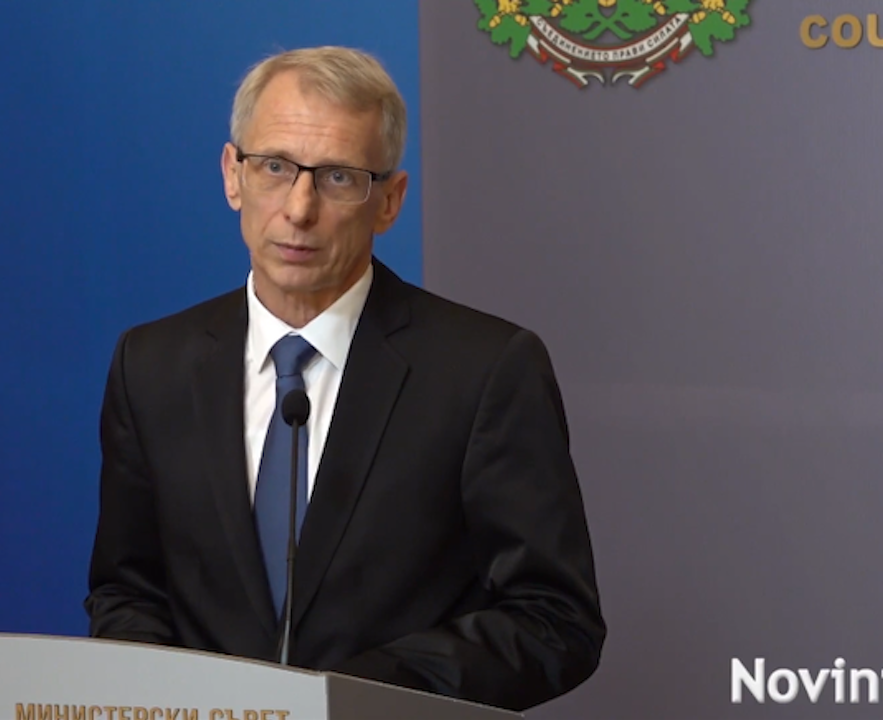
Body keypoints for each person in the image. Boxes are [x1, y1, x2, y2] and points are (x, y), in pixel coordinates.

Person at [84, 45, 605, 712]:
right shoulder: (152, 364)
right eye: (275, 167)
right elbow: (127, 591)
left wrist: (354, 698)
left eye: (337, 178)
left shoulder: (484, 370)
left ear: (389, 201)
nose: (299, 209)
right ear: (232, 176)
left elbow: (555, 619)